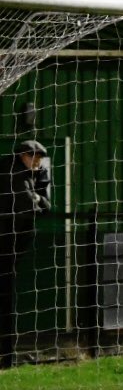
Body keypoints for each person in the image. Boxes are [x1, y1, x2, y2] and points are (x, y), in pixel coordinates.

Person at [0, 140, 52, 368]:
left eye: (40, 156)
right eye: (34, 156)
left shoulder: (32, 174)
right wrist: (40, 200)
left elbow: (43, 204)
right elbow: (30, 206)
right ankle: (5, 355)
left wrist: (40, 199)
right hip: (6, 246)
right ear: (23, 155)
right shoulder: (13, 174)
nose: (38, 160)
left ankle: (5, 354)